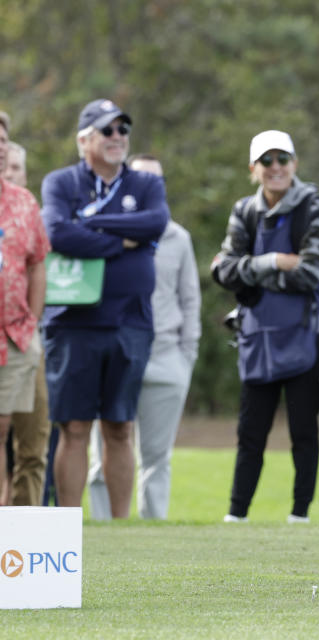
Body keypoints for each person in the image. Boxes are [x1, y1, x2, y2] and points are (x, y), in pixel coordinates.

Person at [40, 99, 169, 516]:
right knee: (74, 427)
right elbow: (58, 233)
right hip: (72, 324)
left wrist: (91, 223)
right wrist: (121, 242)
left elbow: (155, 223)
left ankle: (119, 528)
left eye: (122, 130)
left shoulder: (146, 185)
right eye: (107, 130)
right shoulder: (60, 183)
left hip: (130, 322)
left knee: (119, 427)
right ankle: (69, 525)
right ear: (84, 140)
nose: (118, 138)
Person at [211, 130, 319, 524]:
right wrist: (275, 262)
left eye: (283, 159)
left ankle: (300, 515)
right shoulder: (243, 211)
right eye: (267, 161)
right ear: (254, 169)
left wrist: (250, 269)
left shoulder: (313, 208)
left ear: (294, 163)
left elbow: (311, 273)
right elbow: (224, 272)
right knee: (251, 432)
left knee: (303, 432)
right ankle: (237, 515)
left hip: (303, 335)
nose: (276, 167)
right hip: (256, 336)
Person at [87, 154, 201, 519]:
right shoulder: (105, 233)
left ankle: (151, 538)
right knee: (102, 450)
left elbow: (190, 301)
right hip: (113, 352)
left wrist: (186, 358)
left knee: (155, 459)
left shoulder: (178, 238)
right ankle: (103, 531)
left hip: (166, 356)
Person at [0, 132, 55, 507]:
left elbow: (37, 264)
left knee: (32, 442)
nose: (1, 147)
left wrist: (31, 321)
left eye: (3, 140)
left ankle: (20, 541)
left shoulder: (23, 202)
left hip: (19, 337)